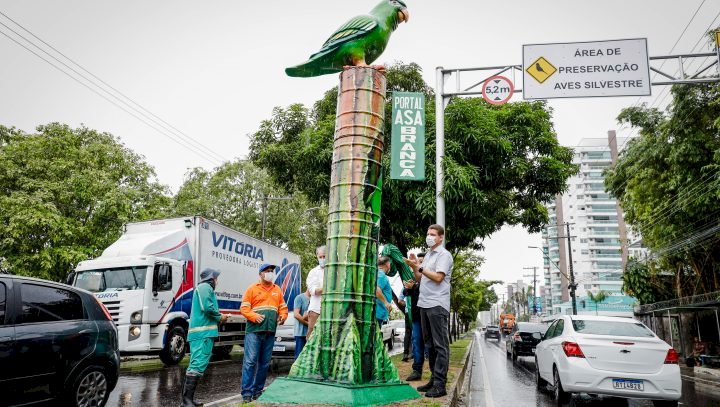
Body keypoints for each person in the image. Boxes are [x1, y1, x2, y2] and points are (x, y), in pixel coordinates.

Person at [404, 225, 453, 398]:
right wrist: (414, 266)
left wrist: (421, 268)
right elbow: (420, 277)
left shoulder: (444, 255)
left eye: (433, 234)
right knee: (429, 345)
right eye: (427, 234)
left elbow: (439, 278)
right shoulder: (429, 255)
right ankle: (434, 379)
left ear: (441, 237)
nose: (429, 237)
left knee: (440, 345)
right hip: (423, 304)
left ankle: (441, 384)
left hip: (437, 304)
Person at [239, 263, 288, 402]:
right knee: (250, 362)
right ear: (260, 273)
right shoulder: (252, 289)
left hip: (270, 332)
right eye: (267, 271)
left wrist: (283, 316)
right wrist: (254, 317)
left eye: (272, 271)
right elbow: (243, 308)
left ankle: (258, 391)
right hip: (254, 332)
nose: (270, 273)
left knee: (265, 364)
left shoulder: (277, 289)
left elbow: (283, 308)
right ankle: (247, 394)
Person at [182, 268, 228, 407]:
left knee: (198, 364)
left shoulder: (204, 288)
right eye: (216, 278)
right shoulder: (205, 287)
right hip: (202, 334)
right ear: (211, 278)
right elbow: (207, 307)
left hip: (203, 333)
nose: (217, 281)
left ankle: (188, 400)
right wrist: (220, 317)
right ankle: (186, 401)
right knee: (197, 364)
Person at [403, 252, 425, 381]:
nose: (418, 263)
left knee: (431, 344)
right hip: (417, 316)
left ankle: (436, 373)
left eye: (421, 262)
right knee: (416, 342)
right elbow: (406, 292)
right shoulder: (414, 279)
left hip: (429, 315)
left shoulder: (428, 277)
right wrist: (410, 287)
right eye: (418, 261)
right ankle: (417, 370)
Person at [305, 245, 326, 338]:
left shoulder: (337, 270)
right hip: (316, 310)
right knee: (312, 336)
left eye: (324, 256)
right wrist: (329, 288)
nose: (322, 259)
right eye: (320, 257)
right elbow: (313, 291)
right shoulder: (313, 272)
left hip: (332, 310)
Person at [375, 256, 394, 327]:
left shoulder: (377, 273)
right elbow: (376, 289)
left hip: (378, 312)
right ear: (387, 264)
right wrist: (386, 303)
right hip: (378, 312)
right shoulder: (381, 275)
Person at [293, 289, 310, 359]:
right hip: (301, 334)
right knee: (299, 357)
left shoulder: (316, 299)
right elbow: (296, 314)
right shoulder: (299, 298)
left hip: (311, 334)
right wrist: (309, 324)